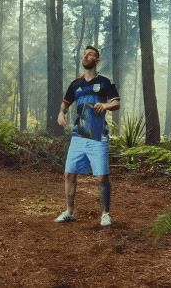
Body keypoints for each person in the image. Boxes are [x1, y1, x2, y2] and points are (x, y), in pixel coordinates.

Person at [54, 45, 120, 227]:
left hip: (98, 136)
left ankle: (105, 214)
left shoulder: (105, 82)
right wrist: (61, 113)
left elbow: (116, 103)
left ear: (96, 59)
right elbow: (65, 103)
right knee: (69, 174)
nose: (86, 56)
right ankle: (69, 212)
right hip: (78, 135)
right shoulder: (76, 84)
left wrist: (105, 106)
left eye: (90, 54)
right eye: (84, 54)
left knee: (102, 178)